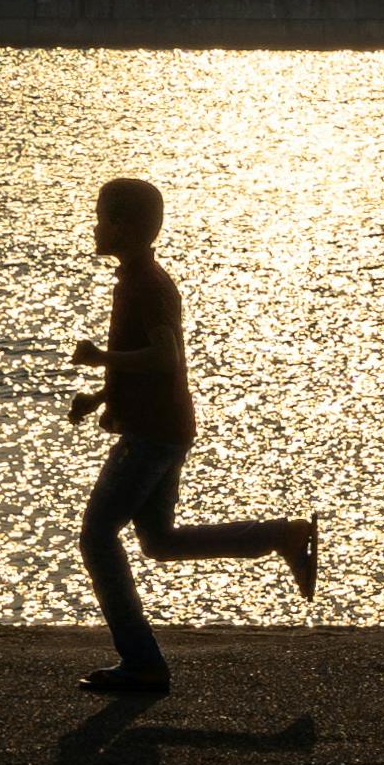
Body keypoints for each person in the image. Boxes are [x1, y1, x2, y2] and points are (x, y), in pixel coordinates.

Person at [66, 175, 317, 693]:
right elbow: (152, 363)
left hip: (152, 434)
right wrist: (102, 396)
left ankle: (141, 662)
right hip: (164, 428)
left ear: (125, 227)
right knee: (158, 541)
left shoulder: (146, 285)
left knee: (97, 537)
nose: (95, 227)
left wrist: (101, 357)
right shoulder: (138, 280)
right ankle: (281, 535)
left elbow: (165, 357)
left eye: (102, 218)